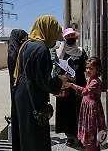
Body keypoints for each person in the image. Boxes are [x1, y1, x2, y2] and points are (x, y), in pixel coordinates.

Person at [12, 15, 67, 151]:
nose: (55, 41)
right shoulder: (41, 48)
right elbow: (44, 81)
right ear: (48, 30)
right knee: (36, 137)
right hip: (33, 98)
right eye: (54, 36)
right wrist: (60, 82)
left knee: (26, 135)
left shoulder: (26, 45)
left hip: (23, 95)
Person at [63, 57, 106, 151]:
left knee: (91, 132)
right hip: (88, 109)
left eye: (91, 68)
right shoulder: (90, 79)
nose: (88, 70)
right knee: (88, 131)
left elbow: (85, 91)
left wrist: (71, 85)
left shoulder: (94, 82)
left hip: (92, 112)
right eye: (87, 68)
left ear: (97, 70)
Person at [55, 27, 88, 146]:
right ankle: (69, 136)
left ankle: (80, 136)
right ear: (64, 38)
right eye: (68, 36)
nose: (70, 38)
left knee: (79, 110)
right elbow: (57, 68)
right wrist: (66, 76)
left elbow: (86, 67)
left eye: (72, 36)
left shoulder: (81, 51)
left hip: (79, 84)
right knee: (66, 110)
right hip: (65, 86)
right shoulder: (59, 52)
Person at [7, 29, 28, 151]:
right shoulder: (15, 54)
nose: (25, 41)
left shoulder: (13, 51)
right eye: (23, 38)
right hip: (18, 87)